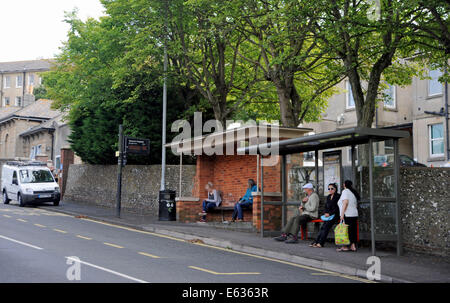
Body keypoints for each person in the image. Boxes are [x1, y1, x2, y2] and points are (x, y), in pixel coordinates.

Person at [310, 183, 340, 248]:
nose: (330, 190)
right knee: (323, 227)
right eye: (329, 189)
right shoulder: (329, 196)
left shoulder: (338, 196)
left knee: (326, 227)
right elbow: (326, 207)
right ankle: (316, 241)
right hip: (328, 216)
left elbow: (337, 208)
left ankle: (321, 243)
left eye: (332, 188)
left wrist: (329, 214)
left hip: (335, 215)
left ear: (335, 189)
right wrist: (326, 213)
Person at [336, 180, 360, 252]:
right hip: (354, 214)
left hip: (347, 214)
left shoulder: (345, 191)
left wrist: (342, 214)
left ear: (344, 185)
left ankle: (345, 246)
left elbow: (345, 202)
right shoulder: (353, 192)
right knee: (353, 230)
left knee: (346, 231)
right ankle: (353, 246)